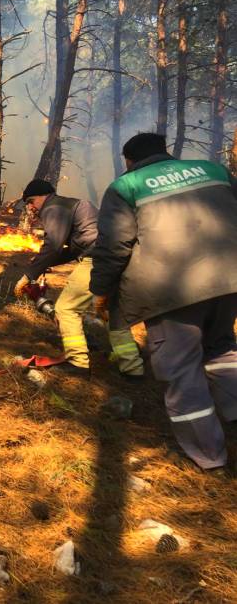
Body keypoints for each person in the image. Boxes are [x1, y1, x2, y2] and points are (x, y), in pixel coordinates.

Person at [90, 132, 237, 470]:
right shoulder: (212, 169)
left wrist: (100, 290)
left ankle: (209, 456)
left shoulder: (125, 186)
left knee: (181, 369)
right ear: (165, 151)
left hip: (172, 290)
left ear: (129, 160)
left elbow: (114, 247)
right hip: (229, 280)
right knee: (222, 349)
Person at [14, 179, 144, 379]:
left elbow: (53, 245)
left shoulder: (53, 207)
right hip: (118, 258)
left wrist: (28, 275)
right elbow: (75, 249)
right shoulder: (73, 204)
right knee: (113, 311)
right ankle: (133, 368)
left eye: (31, 201)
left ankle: (78, 363)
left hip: (97, 260)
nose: (30, 207)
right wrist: (42, 265)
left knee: (67, 309)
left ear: (44, 196)